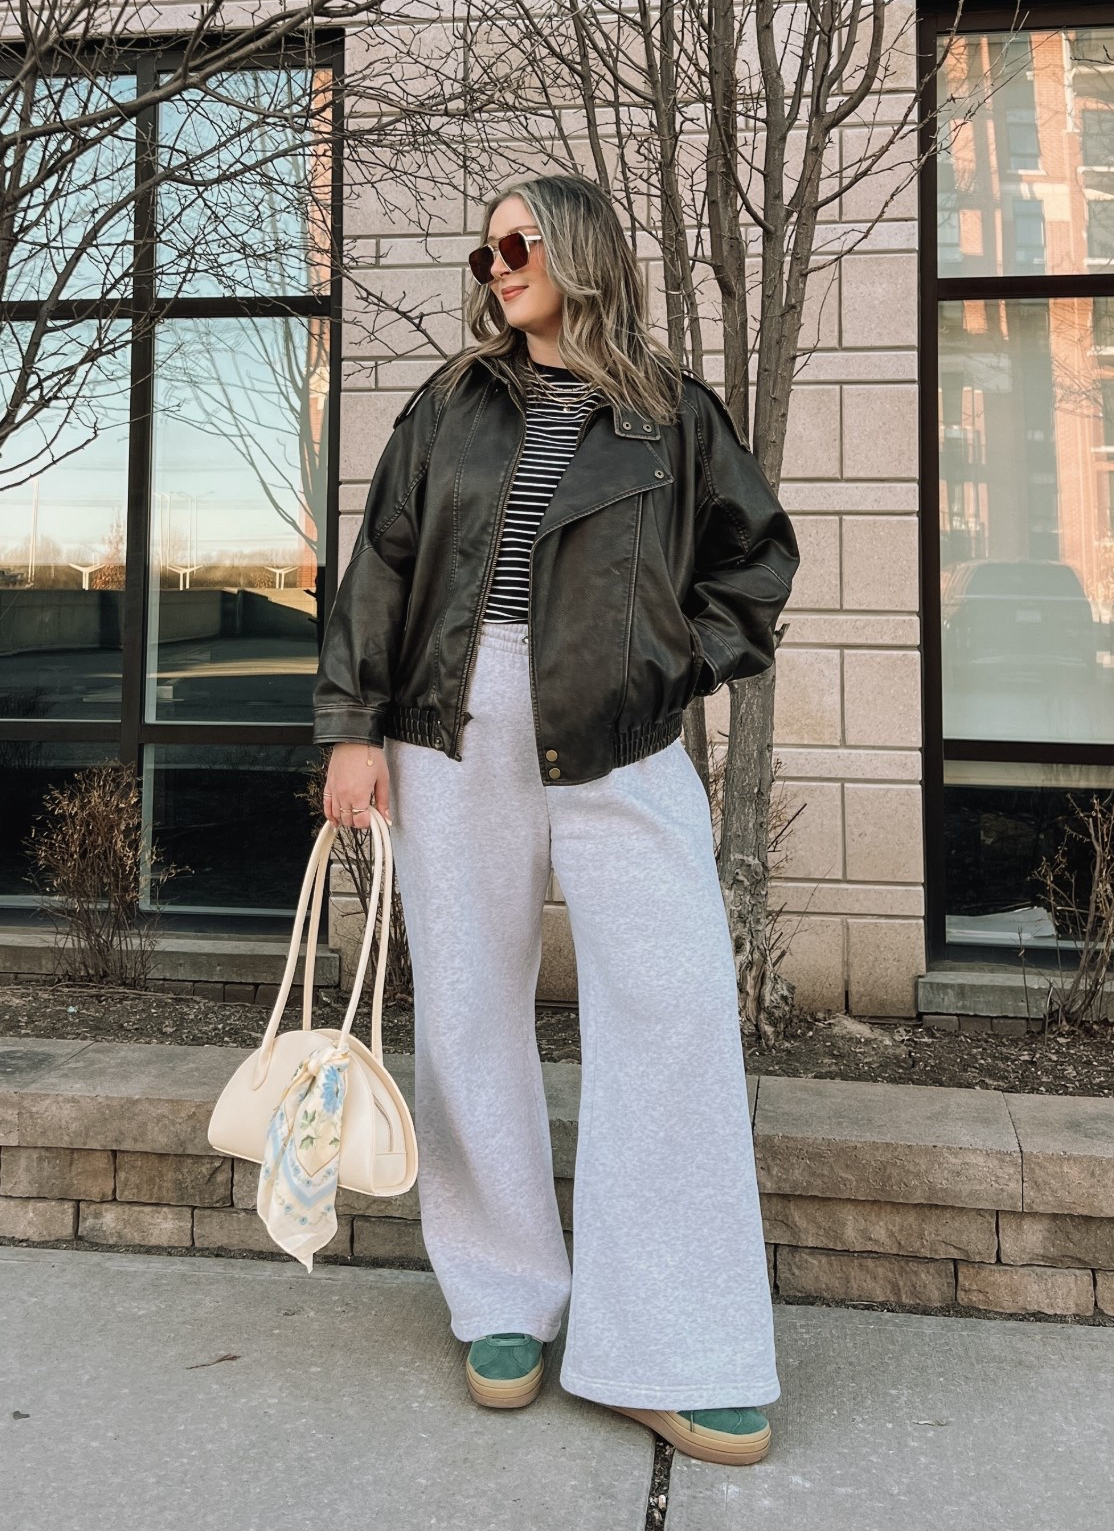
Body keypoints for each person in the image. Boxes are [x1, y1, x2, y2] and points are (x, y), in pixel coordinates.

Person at [315, 172, 798, 1467]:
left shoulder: (673, 417)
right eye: (486, 251)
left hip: (622, 735)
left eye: (516, 241)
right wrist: (351, 728)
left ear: (578, 247)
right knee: (470, 1004)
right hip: (450, 722)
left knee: (676, 1009)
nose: (496, 264)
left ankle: (674, 1344)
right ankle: (504, 1300)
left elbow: (756, 563)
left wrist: (668, 660)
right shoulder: (449, 407)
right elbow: (385, 568)